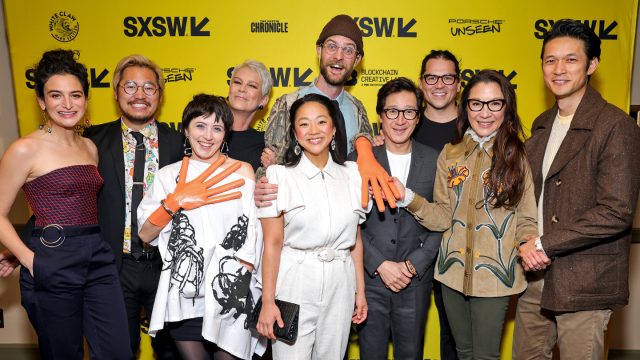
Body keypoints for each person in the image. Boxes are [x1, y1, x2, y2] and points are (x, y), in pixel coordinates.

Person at [513, 19, 640, 360]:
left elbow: (616, 211)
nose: (558, 69)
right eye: (550, 60)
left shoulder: (615, 126)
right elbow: (524, 198)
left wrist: (544, 243)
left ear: (592, 65)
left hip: (585, 280)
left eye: (571, 59)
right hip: (535, 274)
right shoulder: (540, 126)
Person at [394, 70, 538, 360]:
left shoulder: (517, 156)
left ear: (506, 107)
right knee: (463, 352)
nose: (485, 113)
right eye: (476, 104)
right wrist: (408, 198)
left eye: (494, 104)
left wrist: (527, 242)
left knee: (484, 356)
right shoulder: (450, 154)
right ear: (465, 107)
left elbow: (526, 218)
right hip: (452, 274)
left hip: (495, 276)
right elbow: (443, 217)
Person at [0, 49, 131, 359]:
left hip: (98, 257)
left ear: (86, 100)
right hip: (52, 261)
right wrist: (30, 259)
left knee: (117, 352)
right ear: (42, 102)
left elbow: (78, 205)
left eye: (75, 95)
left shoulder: (89, 147)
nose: (67, 104)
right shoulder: (24, 149)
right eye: (56, 95)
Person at [137, 94, 265, 360]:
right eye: (200, 125)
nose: (208, 135)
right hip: (187, 297)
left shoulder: (242, 171)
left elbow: (255, 232)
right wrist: (175, 201)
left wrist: (244, 277)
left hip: (230, 294)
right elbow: (146, 235)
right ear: (186, 129)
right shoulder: (168, 176)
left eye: (217, 128)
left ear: (226, 134)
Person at [83, 54, 184, 357]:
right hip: (114, 265)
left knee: (172, 352)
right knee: (117, 351)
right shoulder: (91, 140)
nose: (139, 95)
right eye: (130, 87)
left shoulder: (181, 143)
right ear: (115, 93)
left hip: (167, 265)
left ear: (160, 95)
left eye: (149, 88)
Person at [256, 94, 368, 359]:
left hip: (341, 283)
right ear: (295, 133)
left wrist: (359, 292)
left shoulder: (353, 174)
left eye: (321, 122)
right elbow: (272, 243)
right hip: (294, 281)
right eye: (304, 124)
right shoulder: (279, 176)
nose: (314, 131)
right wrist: (268, 301)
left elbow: (356, 241)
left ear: (333, 128)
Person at [256, 14, 397, 213]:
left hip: (346, 217)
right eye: (332, 46)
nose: (338, 56)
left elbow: (362, 165)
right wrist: (261, 188)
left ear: (357, 60)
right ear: (319, 50)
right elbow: (269, 167)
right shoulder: (287, 105)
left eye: (348, 50)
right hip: (297, 218)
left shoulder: (358, 110)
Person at [352, 78, 441, 360]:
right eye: (392, 111)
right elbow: (348, 223)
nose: (400, 120)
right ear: (380, 116)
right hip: (370, 281)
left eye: (409, 112)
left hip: (415, 280)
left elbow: (443, 218)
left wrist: (414, 265)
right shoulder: (357, 161)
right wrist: (379, 264)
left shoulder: (437, 160)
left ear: (418, 117)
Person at [415, 49, 461, 360]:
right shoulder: (405, 125)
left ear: (458, 83)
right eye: (432, 77)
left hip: (458, 250)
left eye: (447, 77)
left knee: (456, 342)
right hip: (412, 250)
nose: (439, 84)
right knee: (408, 338)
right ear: (421, 82)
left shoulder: (477, 126)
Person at [227, 60, 273, 171]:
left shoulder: (267, 145)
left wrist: (274, 169)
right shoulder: (205, 133)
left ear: (263, 100)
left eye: (252, 86)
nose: (242, 89)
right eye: (237, 82)